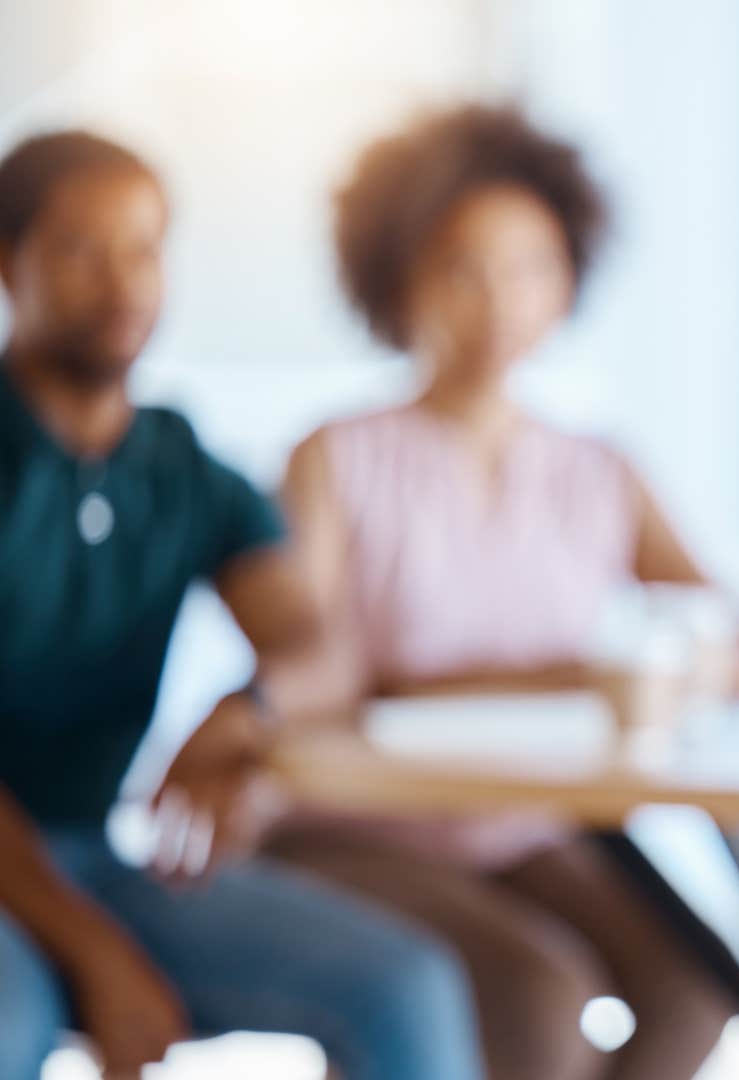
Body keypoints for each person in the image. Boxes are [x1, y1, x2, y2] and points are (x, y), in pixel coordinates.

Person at [263, 104, 739, 1080]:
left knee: (700, 986)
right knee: (538, 993)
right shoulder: (335, 458)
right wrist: (567, 679)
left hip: (521, 826)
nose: (498, 300)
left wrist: (690, 658)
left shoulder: (599, 469)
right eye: (462, 268)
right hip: (355, 828)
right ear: (402, 282)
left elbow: (734, 630)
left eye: (530, 266)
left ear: (568, 280)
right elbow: (314, 678)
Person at [0, 131, 483, 1080]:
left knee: (408, 988)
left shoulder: (182, 468)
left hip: (98, 855)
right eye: (80, 248)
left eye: (144, 248)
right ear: (7, 264)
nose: (123, 282)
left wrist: (245, 713)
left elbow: (319, 645)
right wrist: (95, 953)